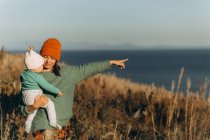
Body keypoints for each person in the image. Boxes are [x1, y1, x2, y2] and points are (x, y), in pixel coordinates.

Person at [20, 38, 128, 139]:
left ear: (57, 59)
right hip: (42, 129)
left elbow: (88, 69)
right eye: (45, 56)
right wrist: (34, 106)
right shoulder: (31, 77)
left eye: (52, 58)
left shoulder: (68, 73)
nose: (48, 61)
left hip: (64, 128)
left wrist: (111, 62)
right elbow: (22, 108)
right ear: (39, 56)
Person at [20, 48, 63, 133]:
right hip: (34, 96)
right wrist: (57, 91)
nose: (43, 66)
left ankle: (27, 125)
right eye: (40, 65)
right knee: (50, 104)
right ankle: (53, 122)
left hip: (25, 97)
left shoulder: (24, 74)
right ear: (34, 67)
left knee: (33, 110)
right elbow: (47, 86)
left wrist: (31, 52)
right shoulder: (37, 77)